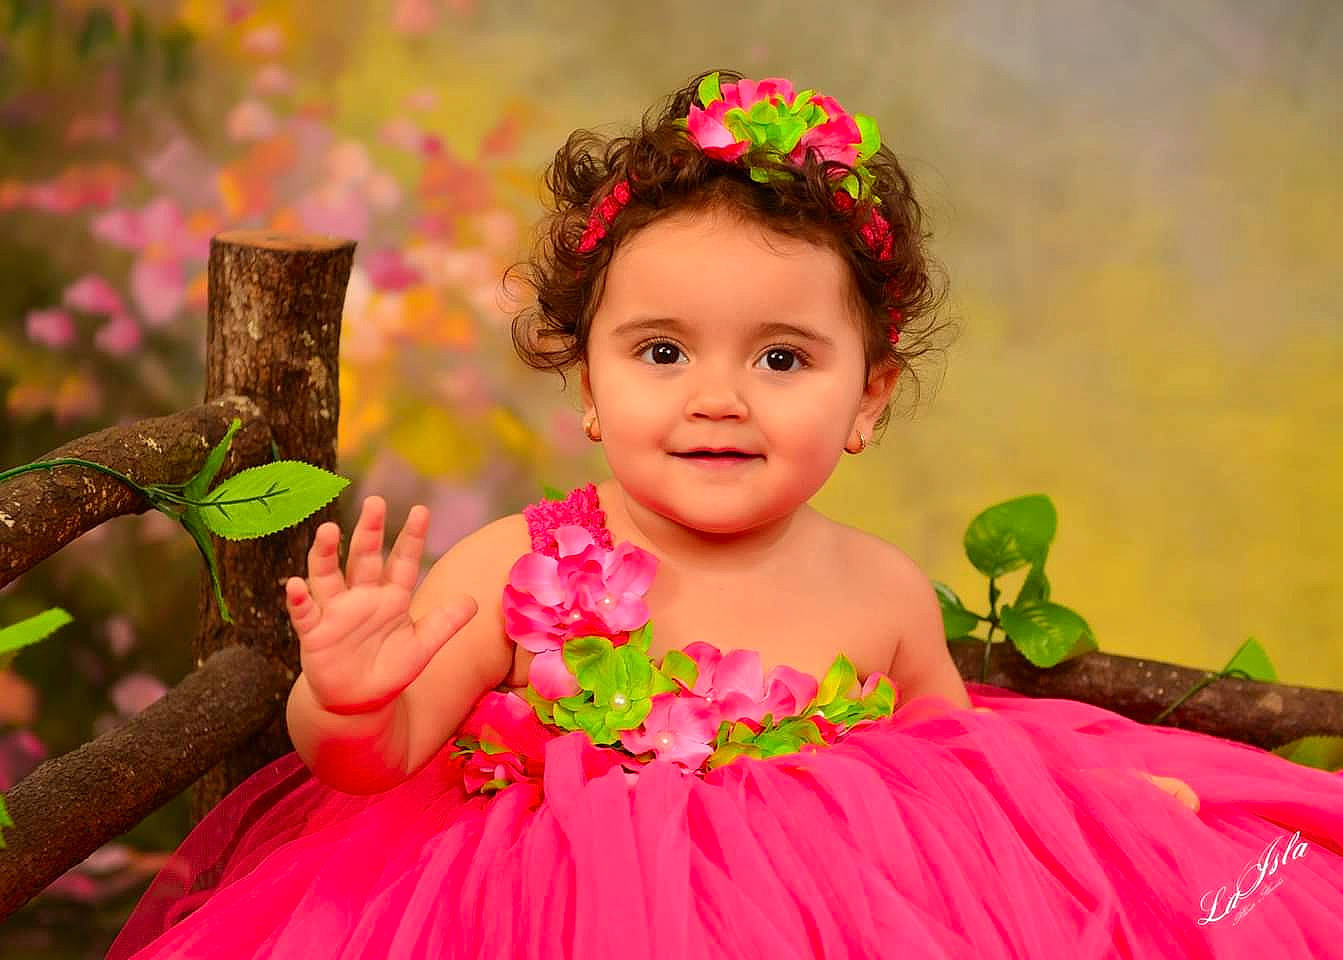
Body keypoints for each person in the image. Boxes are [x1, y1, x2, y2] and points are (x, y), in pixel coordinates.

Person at [108, 69, 1343, 959]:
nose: (715, 399)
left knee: (1238, 895)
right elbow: (362, 766)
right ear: (584, 380)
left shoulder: (879, 592)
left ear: (867, 399)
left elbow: (968, 794)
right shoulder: (515, 567)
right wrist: (353, 693)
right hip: (541, 915)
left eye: (781, 361)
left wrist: (1090, 836)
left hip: (833, 922)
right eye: (659, 352)